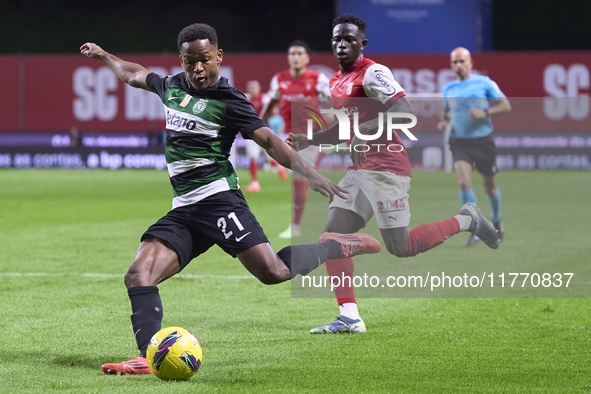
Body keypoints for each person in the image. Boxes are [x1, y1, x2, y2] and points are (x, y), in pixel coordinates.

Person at [80, 23, 383, 375]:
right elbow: (135, 74)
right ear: (181, 60)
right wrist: (104, 56)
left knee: (273, 272)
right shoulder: (172, 86)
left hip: (220, 202)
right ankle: (148, 356)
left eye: (205, 60)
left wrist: (310, 174)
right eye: (190, 61)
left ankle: (336, 246)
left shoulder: (230, 100)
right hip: (184, 210)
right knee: (138, 275)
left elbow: (270, 141)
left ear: (218, 56)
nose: (198, 69)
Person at [289, 14, 501, 334]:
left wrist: (363, 129)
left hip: (388, 168)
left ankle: (467, 219)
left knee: (402, 247)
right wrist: (312, 139)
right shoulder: (335, 81)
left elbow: (405, 113)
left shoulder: (373, 72)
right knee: (331, 237)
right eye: (336, 39)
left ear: (362, 43)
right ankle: (349, 316)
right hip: (359, 171)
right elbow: (343, 127)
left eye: (348, 39)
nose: (341, 44)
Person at [437, 47, 511, 245]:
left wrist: (485, 112)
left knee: (490, 189)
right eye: (455, 62)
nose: (458, 65)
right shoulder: (449, 88)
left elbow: (506, 105)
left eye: (462, 61)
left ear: (471, 63)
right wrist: (444, 120)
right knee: (463, 182)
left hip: (483, 141)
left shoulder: (484, 83)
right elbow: (446, 110)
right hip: (459, 141)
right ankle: (476, 226)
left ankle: (496, 220)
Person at [260, 40, 331, 239]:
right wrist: (256, 126)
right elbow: (271, 104)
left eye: (300, 53)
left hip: (312, 138)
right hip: (292, 139)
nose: (296, 57)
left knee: (300, 179)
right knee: (304, 179)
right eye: (292, 53)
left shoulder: (317, 79)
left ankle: (296, 226)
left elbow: (337, 101)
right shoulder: (279, 79)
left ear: (307, 58)